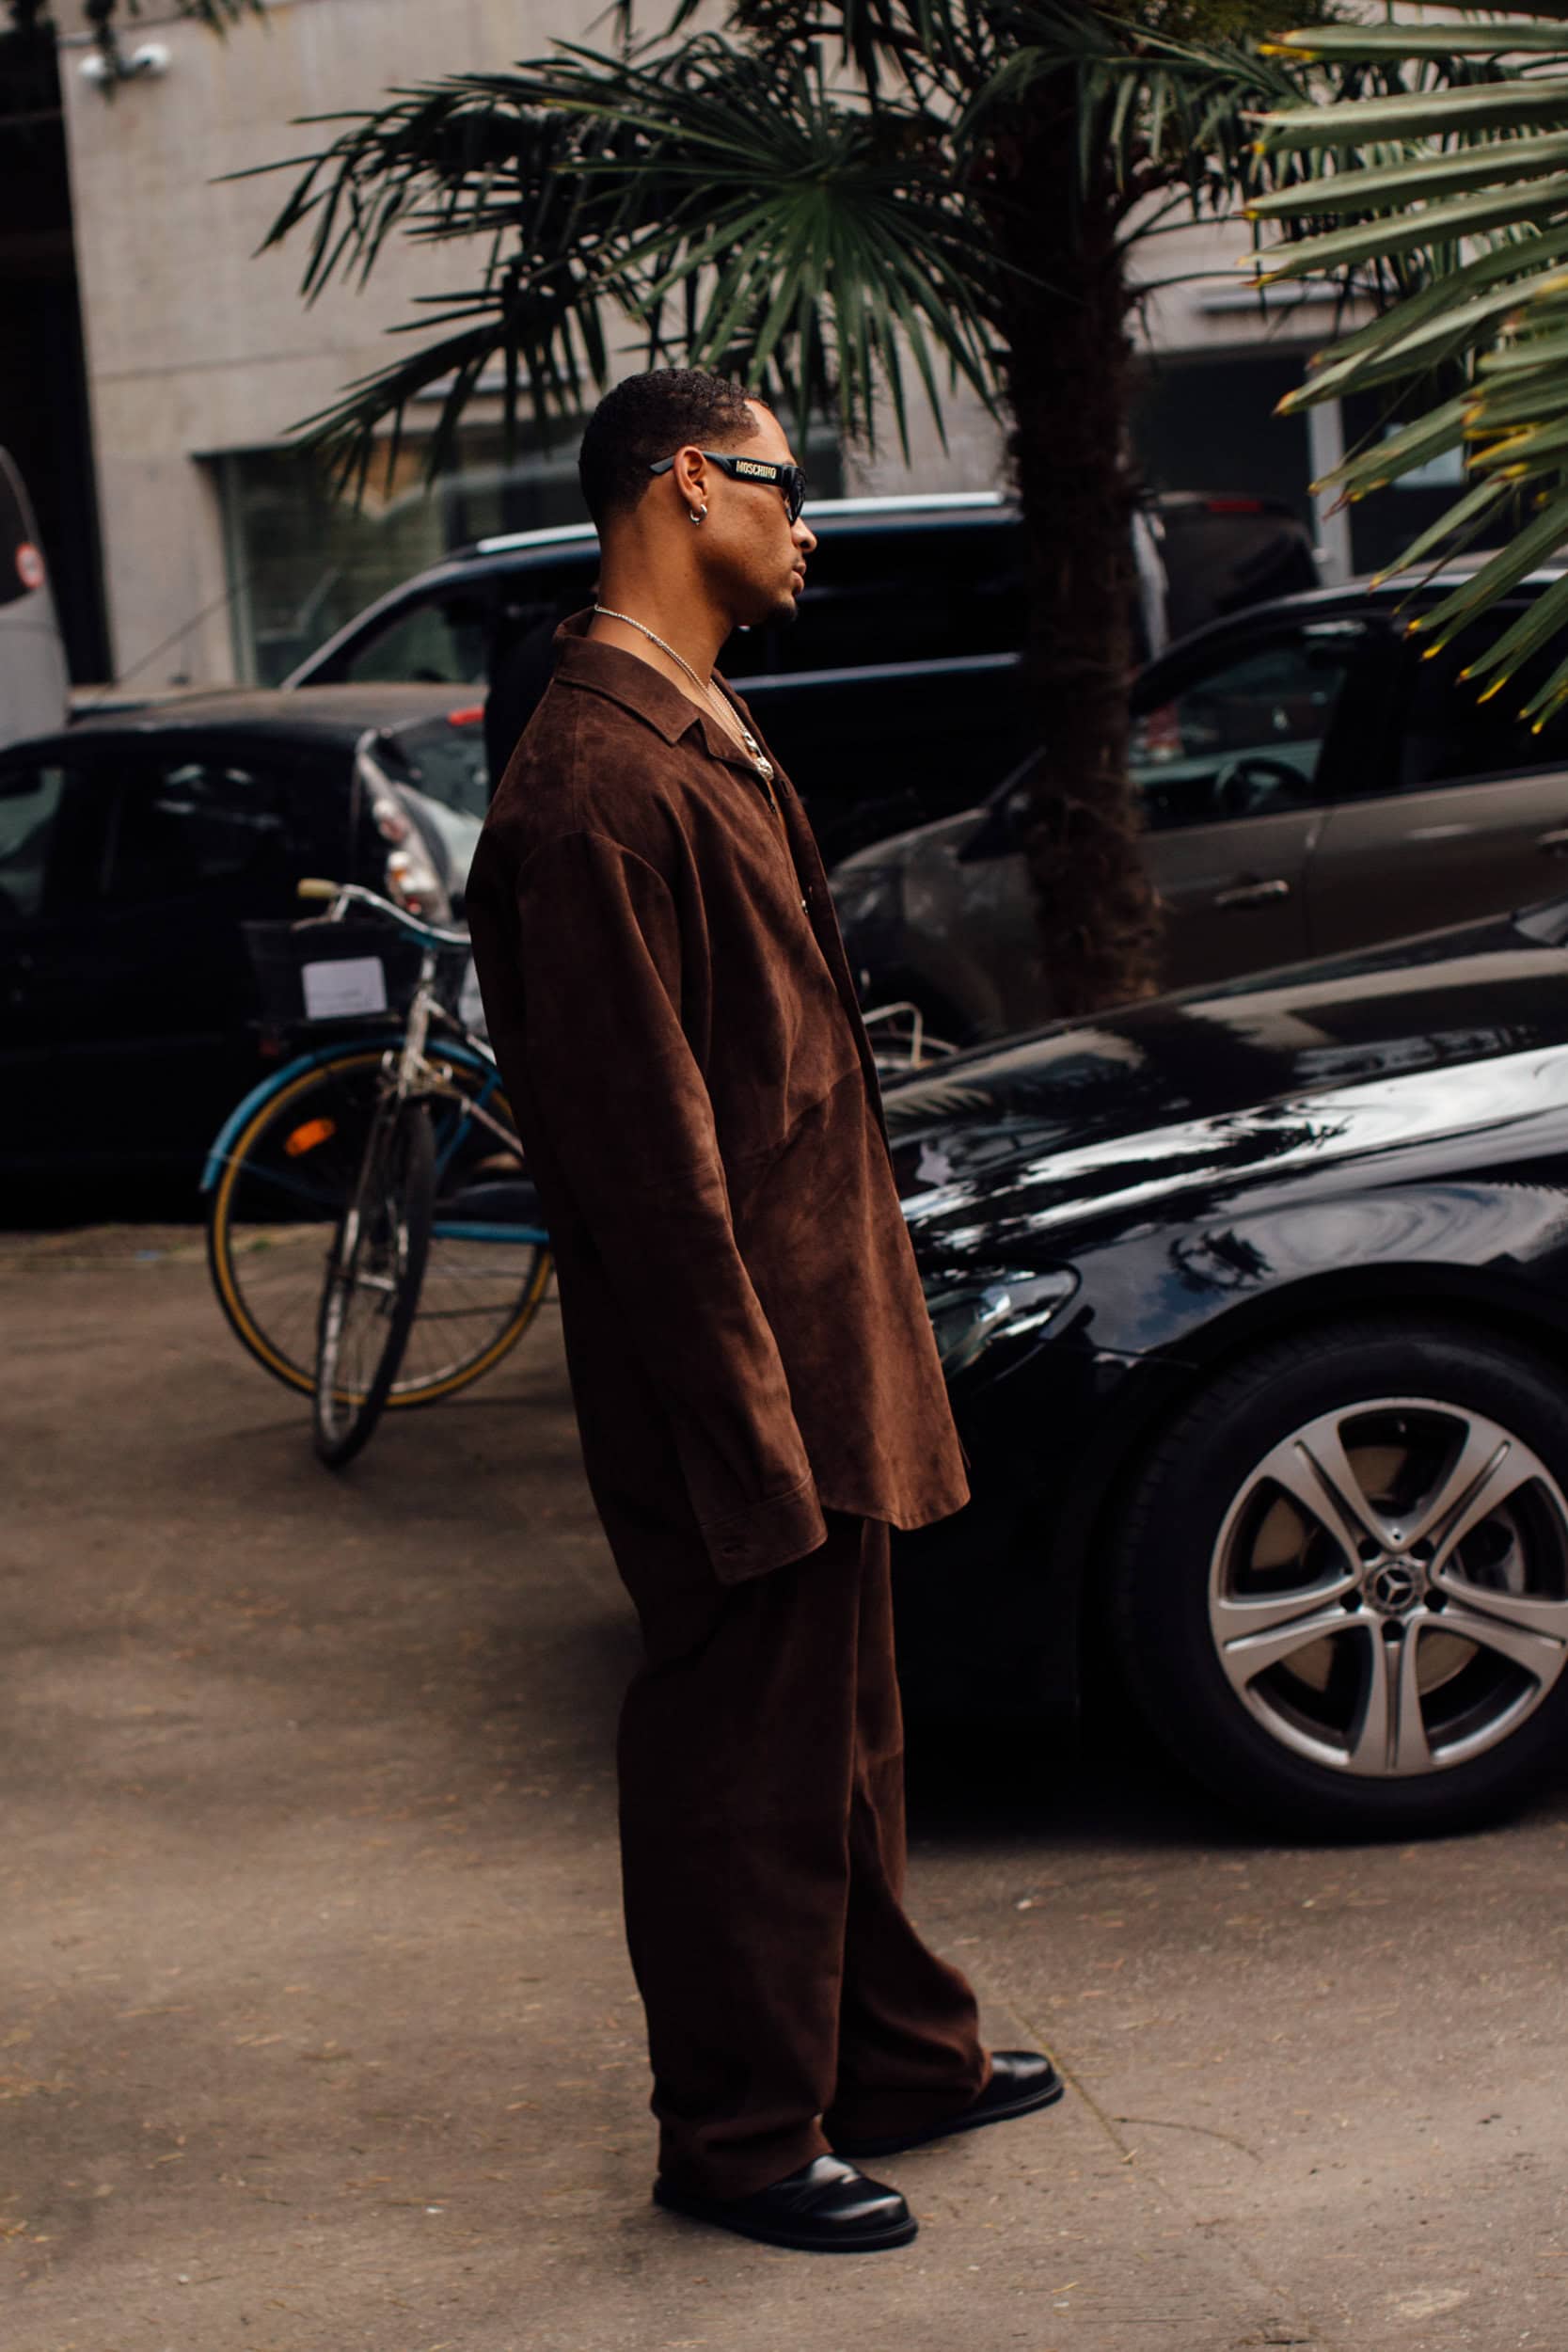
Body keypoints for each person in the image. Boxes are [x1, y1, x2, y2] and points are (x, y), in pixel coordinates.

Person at [463, 368, 1062, 2255]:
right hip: (735, 1380)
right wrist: (747, 1430)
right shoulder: (590, 787)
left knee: (846, 1737)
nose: (807, 524)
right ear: (682, 485)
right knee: (738, 1757)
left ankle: (890, 2053)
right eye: (782, 486)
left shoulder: (700, 721)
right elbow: (644, 1172)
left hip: (822, 1336)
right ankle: (734, 2135)